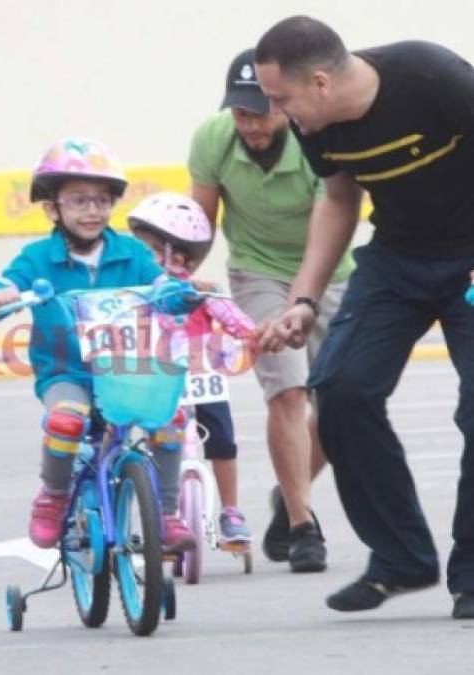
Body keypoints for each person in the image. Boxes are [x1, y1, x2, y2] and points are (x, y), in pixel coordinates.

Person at [254, 15, 474, 619]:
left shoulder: (434, 77)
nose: (278, 113)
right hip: (398, 259)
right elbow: (339, 200)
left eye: (282, 99)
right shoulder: (315, 127)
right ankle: (401, 559)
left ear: (320, 82)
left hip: (471, 261)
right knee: (341, 388)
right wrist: (302, 299)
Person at [0, 138, 198, 551]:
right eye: (78, 201)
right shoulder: (37, 257)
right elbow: (4, 285)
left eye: (101, 201)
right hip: (68, 371)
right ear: (52, 207)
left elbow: (160, 284)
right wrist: (1, 294)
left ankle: (167, 514)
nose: (92, 211)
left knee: (170, 419)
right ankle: (54, 496)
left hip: (129, 368)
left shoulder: (131, 252)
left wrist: (176, 293)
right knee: (66, 420)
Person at [187, 47, 356, 573]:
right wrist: (180, 276)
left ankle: (289, 495)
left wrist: (304, 298)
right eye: (240, 112)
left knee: (343, 402)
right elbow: (200, 220)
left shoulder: (315, 142)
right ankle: (304, 526)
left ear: (284, 106)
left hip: (327, 269)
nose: (249, 125)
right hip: (257, 270)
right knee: (287, 391)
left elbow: (325, 231)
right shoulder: (214, 139)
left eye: (259, 112)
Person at [128, 192, 257, 547]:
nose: (141, 256)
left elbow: (230, 315)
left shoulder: (198, 290)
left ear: (178, 256)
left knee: (222, 440)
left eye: (150, 248)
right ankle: (152, 515)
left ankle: (231, 511)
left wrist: (253, 335)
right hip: (158, 378)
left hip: (202, 376)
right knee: (149, 442)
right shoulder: (136, 289)